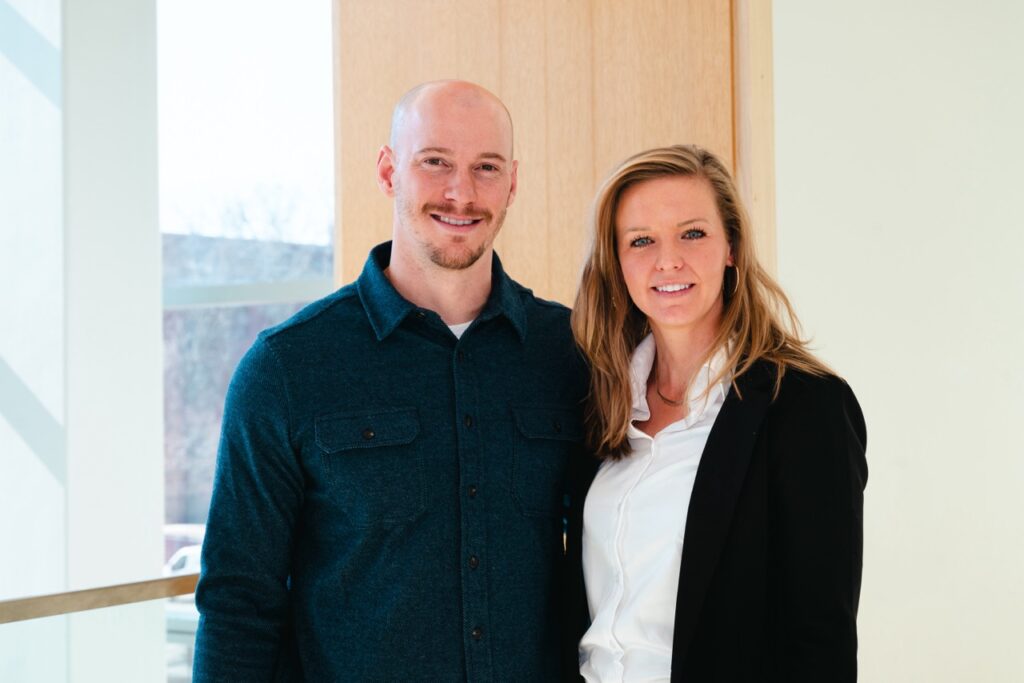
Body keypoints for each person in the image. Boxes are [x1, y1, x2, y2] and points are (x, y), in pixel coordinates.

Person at [193, 80, 587, 681]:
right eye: (435, 162)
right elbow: (238, 602)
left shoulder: (571, 352)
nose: (462, 192)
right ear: (388, 171)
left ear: (512, 183)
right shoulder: (286, 369)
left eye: (487, 167)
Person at [564, 144, 867, 681]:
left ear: (732, 246)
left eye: (693, 233)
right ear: (617, 263)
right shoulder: (600, 402)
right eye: (641, 241)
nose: (668, 260)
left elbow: (820, 640)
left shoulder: (804, 407)